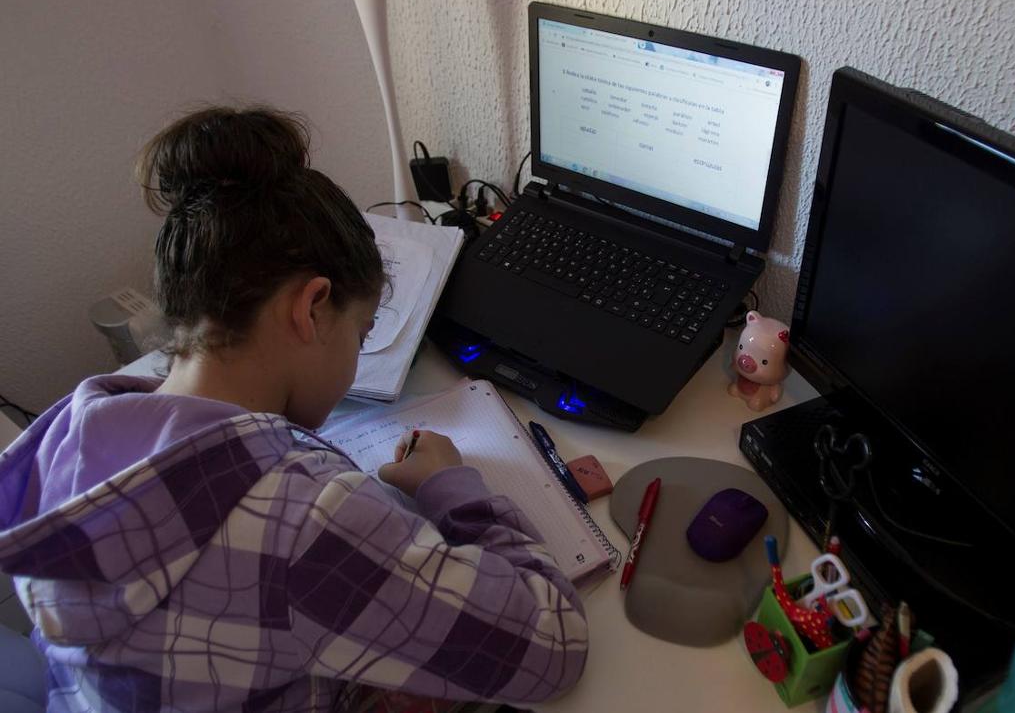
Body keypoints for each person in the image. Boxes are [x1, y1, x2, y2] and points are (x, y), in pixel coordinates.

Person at [0, 107, 588, 712]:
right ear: (310, 309)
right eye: (360, 335)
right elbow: (552, 646)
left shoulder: (73, 430)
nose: (356, 358)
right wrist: (448, 485)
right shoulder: (303, 520)